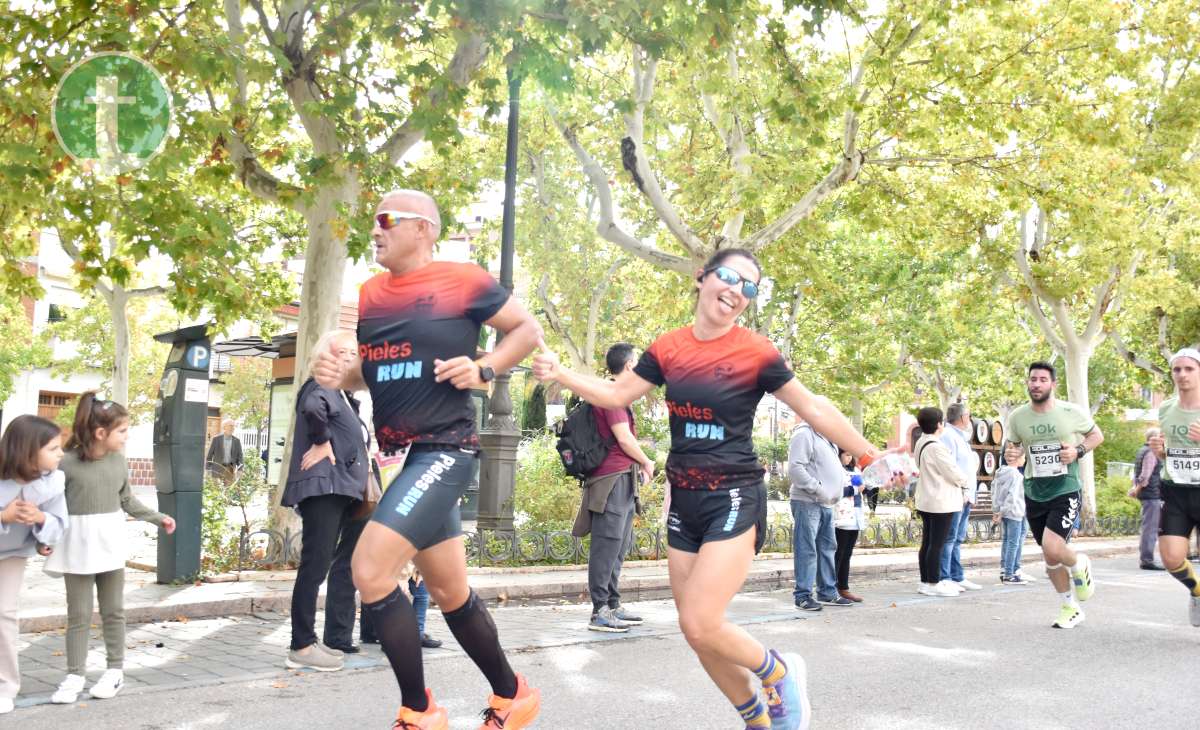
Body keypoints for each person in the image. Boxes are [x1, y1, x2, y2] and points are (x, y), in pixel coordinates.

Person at [533, 247, 879, 730]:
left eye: (749, 287)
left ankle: (779, 673)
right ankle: (759, 721)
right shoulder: (669, 347)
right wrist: (561, 373)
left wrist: (869, 455)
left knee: (701, 621)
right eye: (729, 277)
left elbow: (814, 408)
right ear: (702, 278)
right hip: (686, 501)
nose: (737, 291)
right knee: (697, 632)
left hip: (735, 496)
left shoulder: (756, 351)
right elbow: (615, 395)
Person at [313, 189, 543, 729]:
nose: (375, 229)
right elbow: (370, 371)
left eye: (387, 220)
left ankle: (419, 713)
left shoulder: (464, 278)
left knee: (370, 570)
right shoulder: (370, 293)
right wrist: (337, 375)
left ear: (426, 229)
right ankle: (514, 697)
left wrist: (486, 369)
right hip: (403, 455)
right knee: (448, 590)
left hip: (445, 449)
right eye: (372, 220)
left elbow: (525, 330)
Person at [47, 393, 177, 704]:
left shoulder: (119, 462)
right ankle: (74, 674)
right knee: (78, 614)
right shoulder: (66, 463)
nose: (127, 436)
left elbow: (127, 500)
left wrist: (158, 518)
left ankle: (114, 670)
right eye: (122, 431)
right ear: (100, 433)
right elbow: (52, 505)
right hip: (75, 544)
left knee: (113, 611)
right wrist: (42, 539)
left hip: (109, 542)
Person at [281, 330, 375, 671]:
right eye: (343, 351)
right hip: (323, 489)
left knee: (330, 564)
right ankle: (301, 646)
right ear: (326, 355)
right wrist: (321, 442)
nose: (350, 357)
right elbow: (311, 408)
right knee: (314, 566)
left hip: (340, 490)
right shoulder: (321, 384)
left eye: (354, 353)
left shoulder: (343, 394)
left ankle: (316, 640)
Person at [1004, 361, 1103, 629]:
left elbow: (1096, 435)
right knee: (1049, 557)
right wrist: (1011, 454)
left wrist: (1077, 452)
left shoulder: (1070, 412)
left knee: (1053, 547)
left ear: (1053, 384)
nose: (1036, 384)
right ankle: (1070, 606)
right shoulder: (1018, 417)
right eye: (1032, 379)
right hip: (1034, 489)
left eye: (1042, 379)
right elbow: (1012, 449)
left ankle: (1079, 562)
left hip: (1065, 487)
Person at [573, 342, 654, 633]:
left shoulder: (618, 396)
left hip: (622, 477)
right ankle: (599, 611)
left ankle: (613, 603)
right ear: (630, 366)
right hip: (611, 480)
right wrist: (647, 461)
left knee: (620, 544)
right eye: (639, 362)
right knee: (606, 545)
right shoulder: (612, 396)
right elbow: (624, 439)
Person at [0, 415, 68, 715]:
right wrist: (4, 516)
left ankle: (5, 687)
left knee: (3, 615)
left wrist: (41, 519)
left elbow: (60, 524)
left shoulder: (52, 483)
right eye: (54, 448)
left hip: (11, 554)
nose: (61, 454)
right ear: (29, 450)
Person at [1146, 348, 1200, 626]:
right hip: (1176, 491)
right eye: (1177, 370)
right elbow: (1169, 454)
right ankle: (1197, 590)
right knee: (1170, 558)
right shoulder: (1166, 407)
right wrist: (1160, 450)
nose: (1182, 375)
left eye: (1189, 369)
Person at [789, 421, 852, 610]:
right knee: (807, 549)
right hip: (808, 501)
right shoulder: (804, 434)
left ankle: (827, 591)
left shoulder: (826, 437)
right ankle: (803, 595)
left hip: (825, 503)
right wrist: (818, 489)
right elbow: (795, 468)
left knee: (827, 548)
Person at [913, 407, 969, 597]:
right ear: (939, 424)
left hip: (927, 499)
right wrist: (965, 481)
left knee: (928, 542)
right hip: (941, 501)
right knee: (937, 543)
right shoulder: (936, 446)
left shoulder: (921, 442)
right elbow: (952, 471)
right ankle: (933, 582)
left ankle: (925, 581)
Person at [940, 403, 981, 591]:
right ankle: (945, 576)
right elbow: (951, 467)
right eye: (969, 416)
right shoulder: (949, 436)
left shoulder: (960, 437)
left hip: (966, 496)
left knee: (957, 538)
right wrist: (964, 490)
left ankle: (957, 575)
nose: (970, 420)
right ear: (963, 417)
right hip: (957, 495)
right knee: (949, 538)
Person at [991, 453, 1031, 584]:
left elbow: (995, 492)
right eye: (1024, 457)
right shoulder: (1017, 476)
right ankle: (1009, 574)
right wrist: (1002, 511)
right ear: (1018, 459)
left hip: (1005, 512)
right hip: (1014, 512)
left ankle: (1004, 570)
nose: (1024, 460)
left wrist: (997, 510)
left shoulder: (999, 473)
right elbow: (1012, 496)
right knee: (1013, 543)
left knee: (1007, 541)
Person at [832, 450, 867, 603]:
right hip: (841, 515)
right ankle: (830, 588)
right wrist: (854, 489)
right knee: (838, 554)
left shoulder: (855, 470)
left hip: (855, 515)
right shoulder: (834, 469)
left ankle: (843, 587)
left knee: (847, 554)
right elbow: (835, 491)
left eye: (851, 455)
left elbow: (861, 487)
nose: (849, 458)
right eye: (846, 454)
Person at [1130, 427, 1165, 570]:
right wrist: (1136, 490)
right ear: (1154, 438)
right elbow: (1145, 475)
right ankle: (1147, 560)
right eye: (1160, 437)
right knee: (1150, 528)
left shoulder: (1141, 450)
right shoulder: (1151, 453)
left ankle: (1147, 558)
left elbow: (1136, 473)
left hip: (1148, 494)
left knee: (1149, 526)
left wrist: (1134, 488)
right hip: (1151, 494)